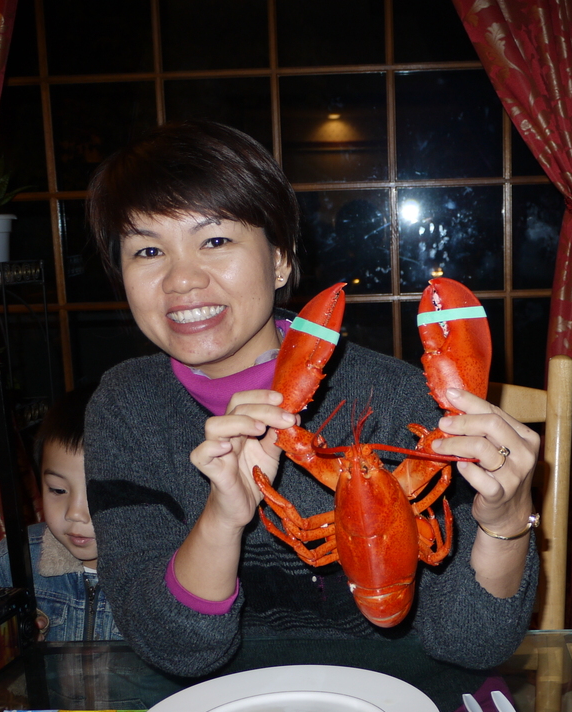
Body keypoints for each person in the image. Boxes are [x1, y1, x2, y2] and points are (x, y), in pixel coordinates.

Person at [83, 121, 539, 679]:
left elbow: (472, 645)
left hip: (397, 698)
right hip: (223, 711)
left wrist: (506, 521)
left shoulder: (403, 400)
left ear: (279, 257)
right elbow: (175, 650)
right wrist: (222, 520)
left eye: (215, 241)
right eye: (148, 250)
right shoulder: (125, 407)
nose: (181, 280)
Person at [0, 384, 122, 642]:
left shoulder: (173, 571)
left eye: (100, 493)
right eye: (57, 490)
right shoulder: (13, 561)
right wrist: (9, 642)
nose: (75, 513)